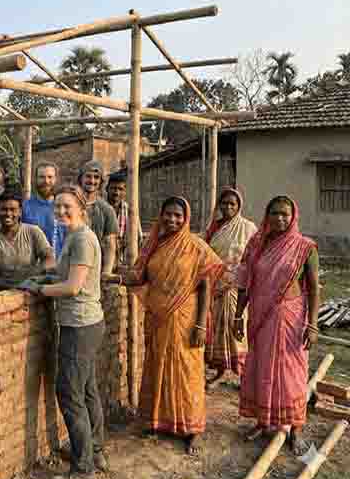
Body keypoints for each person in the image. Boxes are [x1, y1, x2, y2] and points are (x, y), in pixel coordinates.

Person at [123, 196, 223, 456]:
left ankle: (192, 429)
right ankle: (156, 421)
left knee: (187, 371)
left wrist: (201, 325)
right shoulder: (153, 243)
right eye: (168, 214)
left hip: (186, 318)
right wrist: (117, 276)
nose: (172, 219)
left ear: (186, 218)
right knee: (158, 368)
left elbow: (205, 287)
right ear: (161, 215)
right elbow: (140, 275)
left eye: (178, 216)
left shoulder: (196, 247)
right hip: (158, 318)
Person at [21, 185, 105, 479]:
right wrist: (43, 277)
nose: (61, 212)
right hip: (86, 324)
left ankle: (83, 470)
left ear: (81, 207)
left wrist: (39, 290)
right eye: (57, 207)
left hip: (79, 325)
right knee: (87, 390)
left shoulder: (82, 238)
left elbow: (71, 287)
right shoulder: (74, 236)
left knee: (69, 393)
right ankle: (94, 451)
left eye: (67, 206)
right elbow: (61, 274)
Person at [233, 196, 319, 456]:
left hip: (290, 318)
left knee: (291, 373)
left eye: (284, 214)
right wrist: (238, 315)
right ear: (267, 215)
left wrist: (312, 325)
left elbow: (314, 288)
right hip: (260, 316)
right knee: (261, 367)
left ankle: (296, 430)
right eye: (274, 214)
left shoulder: (305, 247)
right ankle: (263, 421)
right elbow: (244, 282)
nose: (279, 219)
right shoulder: (257, 243)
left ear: (293, 216)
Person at [203, 187, 257, 389]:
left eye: (232, 204)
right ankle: (220, 372)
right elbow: (206, 253)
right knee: (218, 329)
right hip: (216, 285)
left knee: (235, 328)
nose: (228, 207)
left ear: (239, 206)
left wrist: (235, 276)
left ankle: (244, 375)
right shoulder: (214, 228)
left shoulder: (248, 228)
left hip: (237, 287)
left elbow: (252, 256)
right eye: (224, 203)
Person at [0, 189, 55, 290]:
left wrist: (33, 275)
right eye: (4, 209)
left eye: (13, 209)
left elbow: (50, 259)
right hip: (3, 292)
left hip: (30, 290)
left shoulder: (33, 231)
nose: (8, 213)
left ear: (20, 212)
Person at [77, 161, 118, 274]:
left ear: (101, 182)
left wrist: (106, 273)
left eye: (96, 177)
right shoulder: (71, 204)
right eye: (88, 176)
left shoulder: (106, 210)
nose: (92, 181)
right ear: (81, 178)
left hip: (94, 268)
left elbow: (110, 244)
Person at [23, 162, 66, 259]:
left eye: (50, 177)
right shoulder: (25, 207)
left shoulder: (64, 206)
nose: (46, 181)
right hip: (33, 267)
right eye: (41, 177)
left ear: (56, 179)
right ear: (35, 179)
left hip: (60, 265)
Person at [106, 172, 143, 266]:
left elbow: (138, 238)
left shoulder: (130, 211)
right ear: (107, 189)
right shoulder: (100, 209)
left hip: (122, 263)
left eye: (120, 189)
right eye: (113, 188)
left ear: (125, 191)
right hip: (102, 262)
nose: (116, 192)